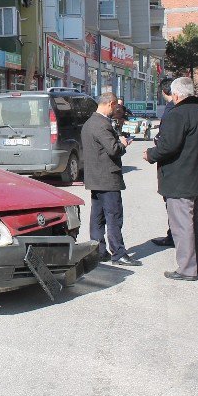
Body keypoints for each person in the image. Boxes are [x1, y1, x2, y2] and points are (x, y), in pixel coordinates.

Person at [144, 77, 198, 281]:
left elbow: (167, 146)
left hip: (181, 180)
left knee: (183, 224)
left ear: (176, 95)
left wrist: (150, 154)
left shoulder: (177, 115)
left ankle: (187, 269)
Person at [82, 91, 142, 267]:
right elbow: (113, 150)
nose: (116, 110)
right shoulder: (101, 124)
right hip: (107, 177)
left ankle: (99, 251)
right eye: (116, 106)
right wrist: (123, 143)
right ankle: (118, 253)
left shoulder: (89, 122)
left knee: (97, 217)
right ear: (110, 104)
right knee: (114, 216)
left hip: (95, 177)